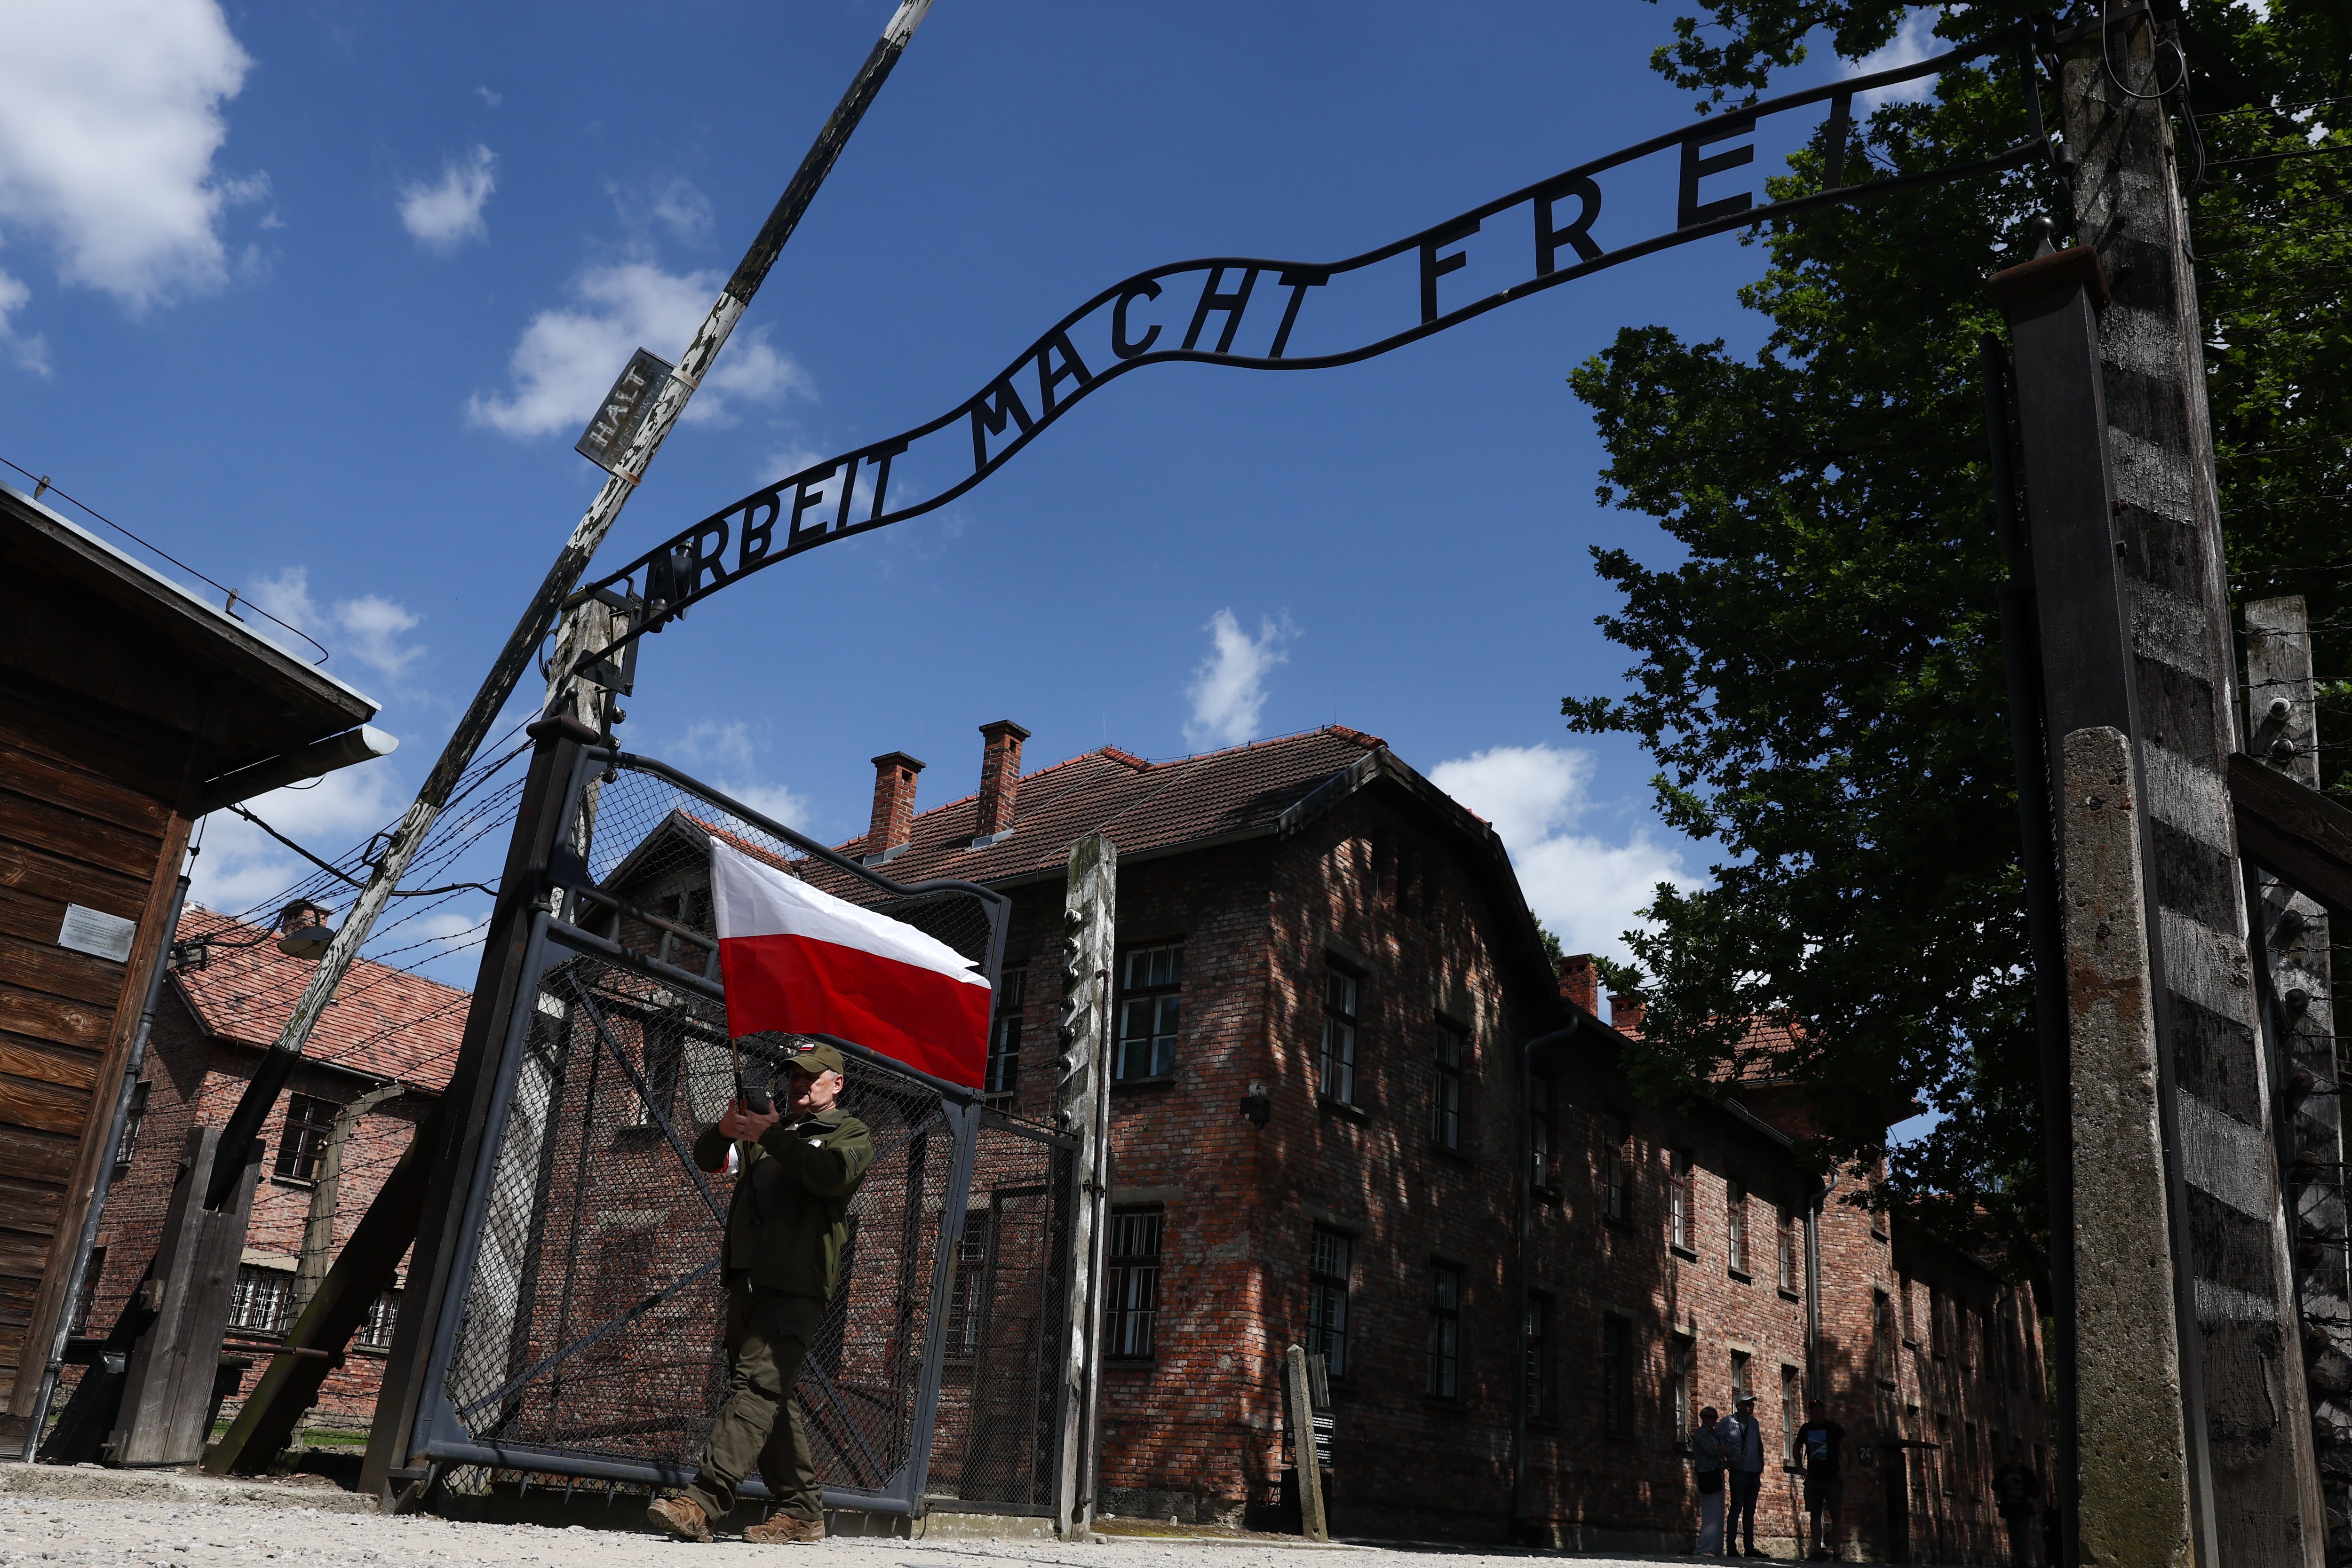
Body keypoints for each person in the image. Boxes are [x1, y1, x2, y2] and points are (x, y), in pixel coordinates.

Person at [648, 1040, 874, 1544]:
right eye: (792, 1074)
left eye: (811, 1075)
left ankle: (701, 1503)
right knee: (772, 1396)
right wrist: (727, 1130)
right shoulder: (771, 1129)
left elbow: (832, 1177)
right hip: (746, 1279)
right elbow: (708, 1157)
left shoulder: (848, 1133)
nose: (799, 1082)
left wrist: (773, 1136)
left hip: (796, 1283)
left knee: (754, 1389)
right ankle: (801, 1512)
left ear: (837, 1083)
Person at [1793, 1398, 1846, 1560]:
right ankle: (1817, 1551)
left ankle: (1837, 1552)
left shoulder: (1833, 1428)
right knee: (1815, 1514)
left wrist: (1847, 1470)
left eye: (1818, 1409)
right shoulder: (1806, 1429)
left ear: (1823, 1411)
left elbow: (1850, 1447)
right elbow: (1796, 1447)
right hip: (1814, 1478)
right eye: (1812, 1410)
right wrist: (1800, 1466)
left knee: (1836, 1514)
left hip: (1833, 1479)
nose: (1815, 1413)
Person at [1719, 1391, 1766, 1558]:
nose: (1751, 1407)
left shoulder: (1754, 1424)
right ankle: (1731, 1547)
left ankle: (1749, 1548)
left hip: (1754, 1472)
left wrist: (1762, 1462)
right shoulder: (1728, 1422)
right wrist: (1726, 1457)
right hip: (1739, 1471)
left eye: (1752, 1404)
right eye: (1748, 1404)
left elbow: (1758, 1443)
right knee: (1736, 1508)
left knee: (1750, 1510)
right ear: (1739, 1406)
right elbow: (1715, 1439)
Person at [1993, 1457, 2043, 1568]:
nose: (2013, 1464)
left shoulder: (2025, 1472)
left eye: (2015, 1461)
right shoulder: (2004, 1472)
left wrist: (2032, 1497)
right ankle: (2016, 1559)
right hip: (2010, 1509)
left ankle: (2022, 1562)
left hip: (2023, 1509)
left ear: (2019, 1461)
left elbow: (2037, 1487)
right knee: (2014, 1536)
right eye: (2011, 1462)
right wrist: (2004, 1482)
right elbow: (1994, 1486)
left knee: (2022, 1535)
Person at [1692, 1405, 1729, 1556]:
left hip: (1717, 1473)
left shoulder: (1716, 1435)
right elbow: (1710, 1450)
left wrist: (1722, 1452)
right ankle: (1704, 1548)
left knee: (1719, 1512)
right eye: (1710, 1417)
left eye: (1715, 1417)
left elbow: (1722, 1450)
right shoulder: (1700, 1433)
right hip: (1706, 1474)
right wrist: (1721, 1449)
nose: (1713, 1420)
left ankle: (1716, 1548)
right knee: (1711, 1512)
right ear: (1703, 1418)